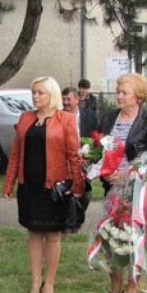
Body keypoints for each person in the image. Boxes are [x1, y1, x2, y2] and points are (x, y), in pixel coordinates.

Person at [3, 77, 85, 293]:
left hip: (54, 187)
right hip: (29, 186)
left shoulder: (65, 119)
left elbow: (74, 156)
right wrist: (9, 182)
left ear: (52, 95)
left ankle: (49, 283)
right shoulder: (25, 118)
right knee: (34, 234)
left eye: (40, 92)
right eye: (34, 92)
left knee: (52, 235)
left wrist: (78, 185)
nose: (35, 96)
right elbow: (15, 153)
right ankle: (35, 281)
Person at [96, 72, 147, 293]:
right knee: (111, 237)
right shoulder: (108, 119)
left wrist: (130, 172)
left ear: (138, 96)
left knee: (134, 238)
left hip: (137, 190)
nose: (119, 96)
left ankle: (132, 289)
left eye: (124, 92)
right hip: (112, 188)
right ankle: (115, 288)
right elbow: (99, 152)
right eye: (118, 92)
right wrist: (101, 169)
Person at [62, 85, 96, 230]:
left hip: (85, 161)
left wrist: (90, 155)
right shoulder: (59, 116)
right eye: (63, 99)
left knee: (85, 195)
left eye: (68, 99)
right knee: (69, 193)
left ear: (76, 99)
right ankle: (69, 225)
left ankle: (78, 221)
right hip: (67, 163)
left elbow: (96, 137)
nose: (65, 102)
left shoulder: (89, 115)